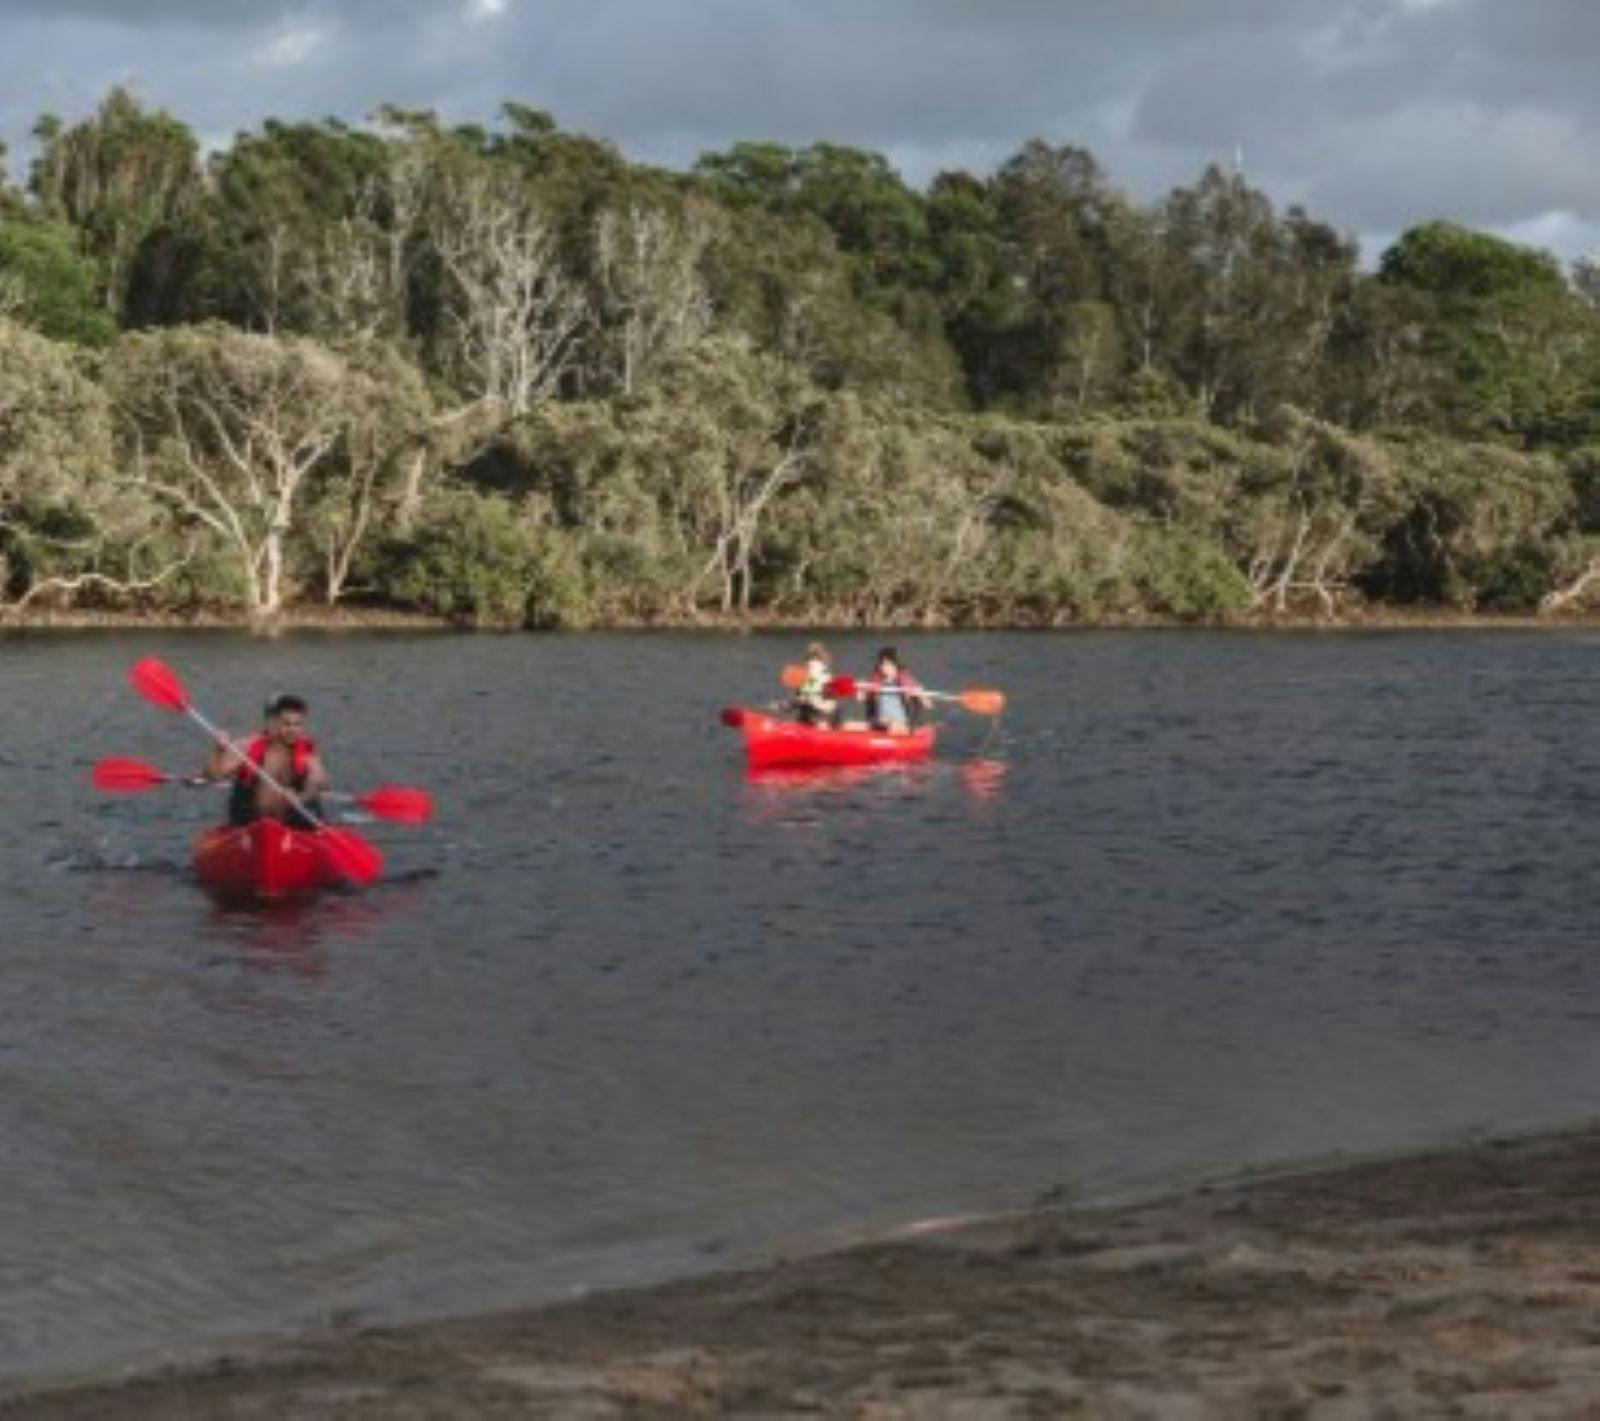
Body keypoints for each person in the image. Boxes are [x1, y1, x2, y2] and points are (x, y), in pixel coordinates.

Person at [200, 692, 330, 828]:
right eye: (286, 724)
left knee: (312, 806)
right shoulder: (246, 746)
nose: (292, 730)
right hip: (251, 824)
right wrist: (219, 750)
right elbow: (212, 775)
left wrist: (301, 797)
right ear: (270, 722)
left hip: (292, 824)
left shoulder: (306, 751)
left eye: (297, 725)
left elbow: (319, 781)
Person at [863, 647, 928, 733]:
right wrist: (862, 691)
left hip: (899, 724)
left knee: (891, 728)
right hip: (880, 723)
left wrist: (920, 695)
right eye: (882, 664)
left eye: (887, 664)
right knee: (849, 725)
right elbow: (861, 698)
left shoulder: (906, 679)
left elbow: (927, 704)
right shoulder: (876, 680)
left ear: (895, 665)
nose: (884, 668)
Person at [791, 642, 842, 728]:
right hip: (821, 703)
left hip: (816, 703)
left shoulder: (812, 668)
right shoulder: (821, 668)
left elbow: (807, 689)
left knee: (805, 703)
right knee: (835, 707)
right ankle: (835, 728)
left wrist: (793, 702)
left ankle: (804, 724)